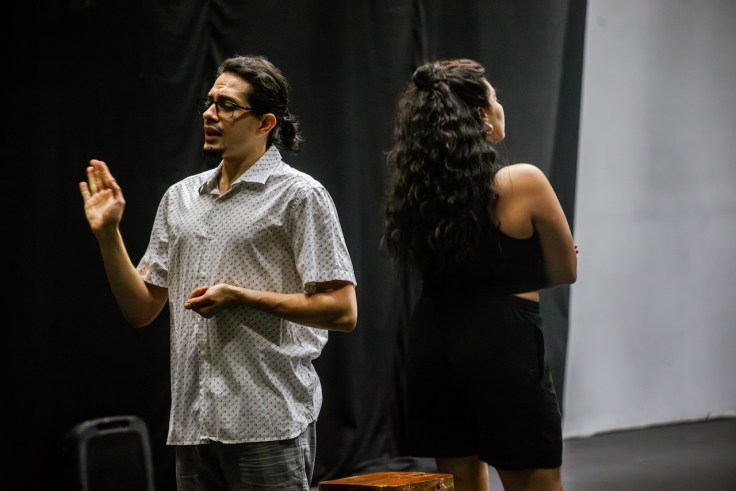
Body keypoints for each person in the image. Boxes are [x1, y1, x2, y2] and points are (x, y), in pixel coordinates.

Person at [79, 54, 358, 490]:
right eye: (208, 102)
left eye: (226, 105)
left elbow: (342, 310)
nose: (210, 114)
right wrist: (108, 234)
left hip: (268, 422)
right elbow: (141, 310)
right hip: (193, 425)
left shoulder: (300, 195)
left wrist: (241, 297)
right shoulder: (179, 198)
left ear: (265, 123)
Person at [382, 59, 577, 491]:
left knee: (461, 481)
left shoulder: (417, 192)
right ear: (480, 115)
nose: (500, 105)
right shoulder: (522, 181)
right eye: (495, 97)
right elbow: (566, 270)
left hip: (433, 342)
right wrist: (530, 261)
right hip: (503, 345)